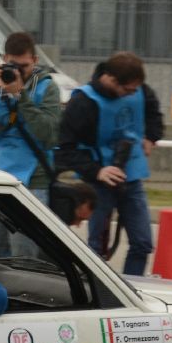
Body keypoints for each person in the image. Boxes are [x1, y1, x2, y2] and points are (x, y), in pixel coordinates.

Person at [56, 52, 156, 275]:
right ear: (111, 79)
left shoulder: (139, 90)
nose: (132, 94)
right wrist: (98, 171)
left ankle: (133, 287)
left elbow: (153, 112)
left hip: (132, 178)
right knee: (97, 248)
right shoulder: (82, 102)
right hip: (98, 183)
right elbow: (66, 149)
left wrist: (151, 136)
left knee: (142, 243)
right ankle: (98, 286)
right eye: (127, 90)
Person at [0, 31, 60, 257]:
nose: (17, 72)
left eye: (24, 66)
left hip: (32, 182)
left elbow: (48, 134)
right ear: (4, 59)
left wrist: (21, 96)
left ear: (35, 61)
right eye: (12, 65)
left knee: (24, 255)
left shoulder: (47, 87)